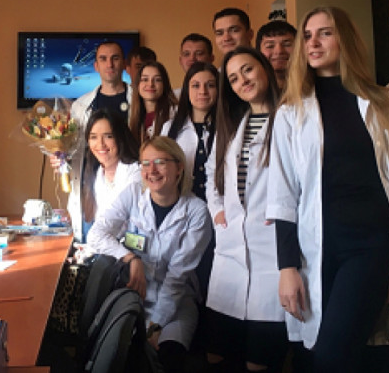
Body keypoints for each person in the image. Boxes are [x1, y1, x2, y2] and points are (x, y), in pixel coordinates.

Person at [266, 6, 389, 373]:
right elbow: (283, 197)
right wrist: (287, 267)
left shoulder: (386, 104)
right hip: (316, 248)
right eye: (308, 36)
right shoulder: (291, 112)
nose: (313, 43)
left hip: (370, 246)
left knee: (332, 356)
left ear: (346, 40)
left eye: (325, 33)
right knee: (330, 353)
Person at [87, 136, 212, 373]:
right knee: (125, 359)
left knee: (167, 357)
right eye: (145, 163)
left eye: (160, 162)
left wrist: (156, 325)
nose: (151, 170)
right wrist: (130, 258)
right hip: (133, 296)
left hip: (176, 303)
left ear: (179, 168)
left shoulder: (196, 212)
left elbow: (177, 277)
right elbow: (96, 234)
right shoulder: (134, 194)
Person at [203, 47, 287, 372]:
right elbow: (212, 174)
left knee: (258, 361)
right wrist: (217, 211)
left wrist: (284, 213)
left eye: (248, 70)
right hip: (230, 254)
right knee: (216, 355)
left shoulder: (290, 117)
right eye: (234, 78)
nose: (243, 81)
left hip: (272, 255)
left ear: (264, 67)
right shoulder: (233, 124)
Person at [64, 40, 134, 242]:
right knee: (91, 246)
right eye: (103, 59)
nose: (109, 64)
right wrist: (61, 157)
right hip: (90, 190)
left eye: (115, 58)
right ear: (96, 66)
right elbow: (74, 149)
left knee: (127, 246)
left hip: (128, 187)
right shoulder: (80, 106)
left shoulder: (138, 100)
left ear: (124, 64)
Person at [74, 109, 141, 242]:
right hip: (105, 246)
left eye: (108, 136)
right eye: (93, 137)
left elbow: (135, 232)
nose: (100, 144)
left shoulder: (136, 173)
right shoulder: (97, 174)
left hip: (132, 249)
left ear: (120, 138)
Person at [164, 62, 219, 202]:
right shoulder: (170, 128)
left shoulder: (229, 128)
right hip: (181, 204)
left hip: (220, 207)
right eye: (195, 86)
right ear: (187, 90)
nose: (203, 91)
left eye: (210, 85)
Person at [129, 61, 178, 145]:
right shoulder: (133, 116)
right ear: (138, 84)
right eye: (145, 79)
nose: (150, 84)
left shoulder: (175, 114)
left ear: (164, 85)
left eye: (157, 80)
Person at [256, 20, 297, 89]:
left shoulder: (313, 87)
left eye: (287, 45)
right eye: (270, 46)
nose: (279, 51)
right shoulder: (252, 91)